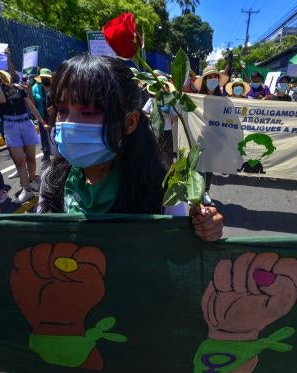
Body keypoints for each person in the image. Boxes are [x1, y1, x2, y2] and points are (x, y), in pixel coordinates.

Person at [37, 55, 223, 242]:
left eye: (89, 112)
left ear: (130, 122)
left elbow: (178, 252)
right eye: (62, 110)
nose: (69, 124)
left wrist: (203, 228)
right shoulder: (52, 180)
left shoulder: (161, 190)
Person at [0, 69, 44, 203]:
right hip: (10, 127)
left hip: (26, 124)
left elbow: (30, 105)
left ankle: (33, 180)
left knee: (31, 157)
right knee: (20, 162)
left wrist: (42, 121)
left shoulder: (17, 88)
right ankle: (27, 190)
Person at [194, 65, 229, 205]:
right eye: (210, 77)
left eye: (216, 77)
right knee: (197, 165)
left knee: (209, 166)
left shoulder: (223, 100)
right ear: (205, 80)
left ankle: (206, 191)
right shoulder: (197, 98)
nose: (213, 79)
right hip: (199, 135)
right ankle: (196, 192)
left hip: (215, 138)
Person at [143, 76, 178, 167]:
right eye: (160, 86)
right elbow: (143, 112)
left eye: (164, 86)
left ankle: (167, 174)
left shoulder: (171, 101)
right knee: (154, 153)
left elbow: (176, 118)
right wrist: (153, 116)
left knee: (167, 154)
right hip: (155, 131)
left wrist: (168, 116)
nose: (162, 89)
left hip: (167, 131)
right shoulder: (152, 100)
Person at [32, 68, 53, 169]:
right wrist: (28, 92)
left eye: (47, 77)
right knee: (44, 138)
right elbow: (33, 103)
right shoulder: (35, 88)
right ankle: (46, 157)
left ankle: (60, 157)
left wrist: (54, 107)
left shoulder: (55, 88)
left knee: (54, 136)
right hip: (42, 117)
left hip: (54, 117)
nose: (45, 79)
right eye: (43, 77)